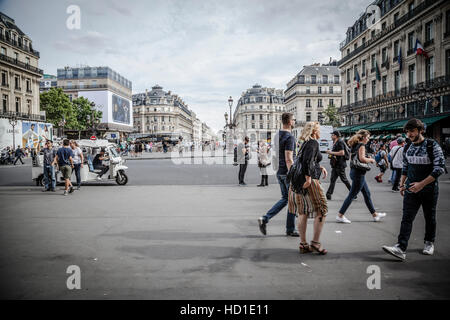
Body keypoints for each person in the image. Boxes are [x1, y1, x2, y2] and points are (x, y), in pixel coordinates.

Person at [382, 119, 445, 260]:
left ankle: (429, 242)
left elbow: (439, 168)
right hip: (411, 188)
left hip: (429, 189)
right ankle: (401, 247)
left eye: (412, 131)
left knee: (430, 217)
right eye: (407, 132)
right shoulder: (407, 146)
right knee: (406, 218)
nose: (409, 134)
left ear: (420, 130)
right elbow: (405, 166)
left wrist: (421, 184)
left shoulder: (432, 145)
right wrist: (402, 184)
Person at [288, 122, 328, 254]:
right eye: (318, 129)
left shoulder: (305, 142)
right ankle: (315, 242)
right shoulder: (313, 143)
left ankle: (303, 244)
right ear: (314, 131)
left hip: (298, 181)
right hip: (309, 181)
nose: (320, 132)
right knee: (322, 209)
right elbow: (307, 161)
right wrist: (308, 179)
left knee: (303, 212)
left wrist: (320, 167)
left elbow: (307, 160)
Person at [258, 113, 299, 237]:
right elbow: (289, 158)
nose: (294, 121)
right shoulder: (290, 137)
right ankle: (289, 228)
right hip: (287, 172)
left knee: (286, 198)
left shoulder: (277, 135)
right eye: (293, 119)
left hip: (279, 171)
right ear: (290, 121)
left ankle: (266, 219)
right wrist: (293, 174)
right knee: (292, 200)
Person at [336, 129, 387, 223]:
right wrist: (371, 160)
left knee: (367, 194)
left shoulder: (355, 145)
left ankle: (375, 215)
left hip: (355, 172)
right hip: (358, 174)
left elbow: (354, 158)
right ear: (363, 137)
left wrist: (366, 158)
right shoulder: (362, 145)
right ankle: (340, 215)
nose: (368, 139)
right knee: (351, 195)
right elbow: (362, 159)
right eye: (367, 137)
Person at [325, 130, 352, 200]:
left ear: (335, 136)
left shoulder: (340, 142)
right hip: (335, 164)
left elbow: (342, 153)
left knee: (344, 179)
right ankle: (328, 194)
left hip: (340, 164)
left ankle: (353, 193)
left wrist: (331, 152)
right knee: (333, 179)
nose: (331, 136)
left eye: (332, 135)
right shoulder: (335, 142)